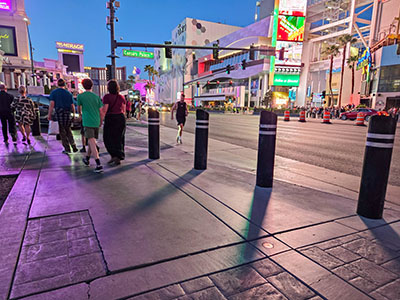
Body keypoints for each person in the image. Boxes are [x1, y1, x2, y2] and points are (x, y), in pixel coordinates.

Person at [77, 79, 104, 173]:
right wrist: (101, 121)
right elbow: (101, 111)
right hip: (96, 120)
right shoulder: (96, 97)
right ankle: (87, 158)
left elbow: (79, 108)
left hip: (87, 121)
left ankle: (98, 163)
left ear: (83, 86)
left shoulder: (80, 96)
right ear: (92, 86)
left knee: (92, 141)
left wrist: (80, 115)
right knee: (91, 141)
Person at [48, 79, 78, 154]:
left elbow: (52, 104)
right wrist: (73, 114)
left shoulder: (54, 93)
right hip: (67, 112)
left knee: (62, 131)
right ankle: (73, 145)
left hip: (59, 112)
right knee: (68, 129)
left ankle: (67, 148)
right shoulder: (68, 93)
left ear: (58, 84)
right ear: (64, 84)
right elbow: (72, 105)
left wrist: (49, 114)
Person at [102, 80, 126, 166]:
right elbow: (123, 110)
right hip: (120, 118)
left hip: (111, 118)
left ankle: (114, 155)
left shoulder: (107, 97)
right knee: (119, 138)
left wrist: (101, 120)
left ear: (108, 88)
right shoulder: (121, 97)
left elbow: (105, 109)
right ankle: (118, 156)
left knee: (108, 138)